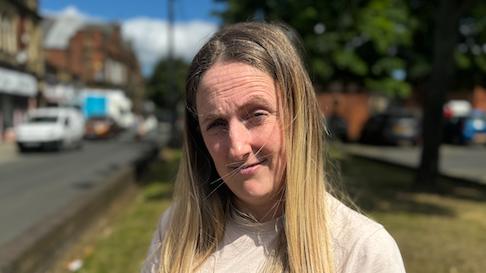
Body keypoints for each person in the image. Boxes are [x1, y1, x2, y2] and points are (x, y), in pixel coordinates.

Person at [142, 22, 406, 273]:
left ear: (297, 115)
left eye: (256, 114)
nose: (237, 148)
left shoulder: (362, 250)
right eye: (217, 124)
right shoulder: (177, 230)